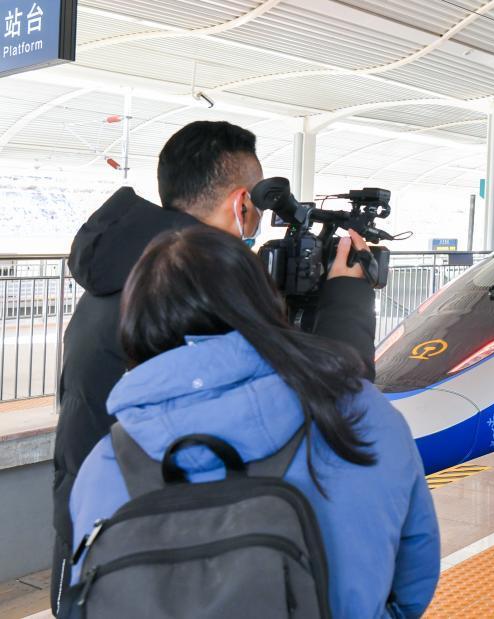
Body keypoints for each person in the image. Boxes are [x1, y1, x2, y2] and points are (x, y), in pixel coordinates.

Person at [51, 121, 378, 613]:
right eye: (259, 211)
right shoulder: (201, 293)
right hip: (178, 561)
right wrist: (346, 299)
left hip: (95, 547)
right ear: (242, 203)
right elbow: (334, 403)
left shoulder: (124, 271)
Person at [68, 226, 440, 617]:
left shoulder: (105, 464)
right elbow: (413, 578)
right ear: (263, 302)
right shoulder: (360, 413)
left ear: (134, 325)